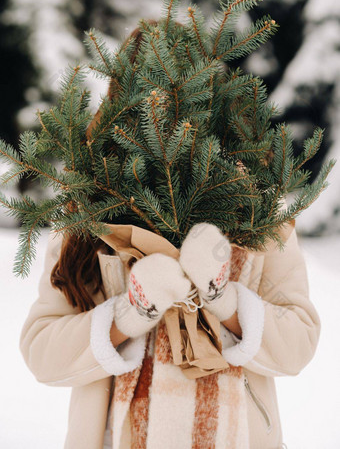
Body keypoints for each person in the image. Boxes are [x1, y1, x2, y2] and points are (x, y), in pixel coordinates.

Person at [19, 23, 321, 449]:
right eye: (147, 92)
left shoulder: (256, 208)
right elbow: (42, 354)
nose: (166, 110)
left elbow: (297, 347)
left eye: (182, 89)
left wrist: (222, 296)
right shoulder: (91, 208)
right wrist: (132, 311)